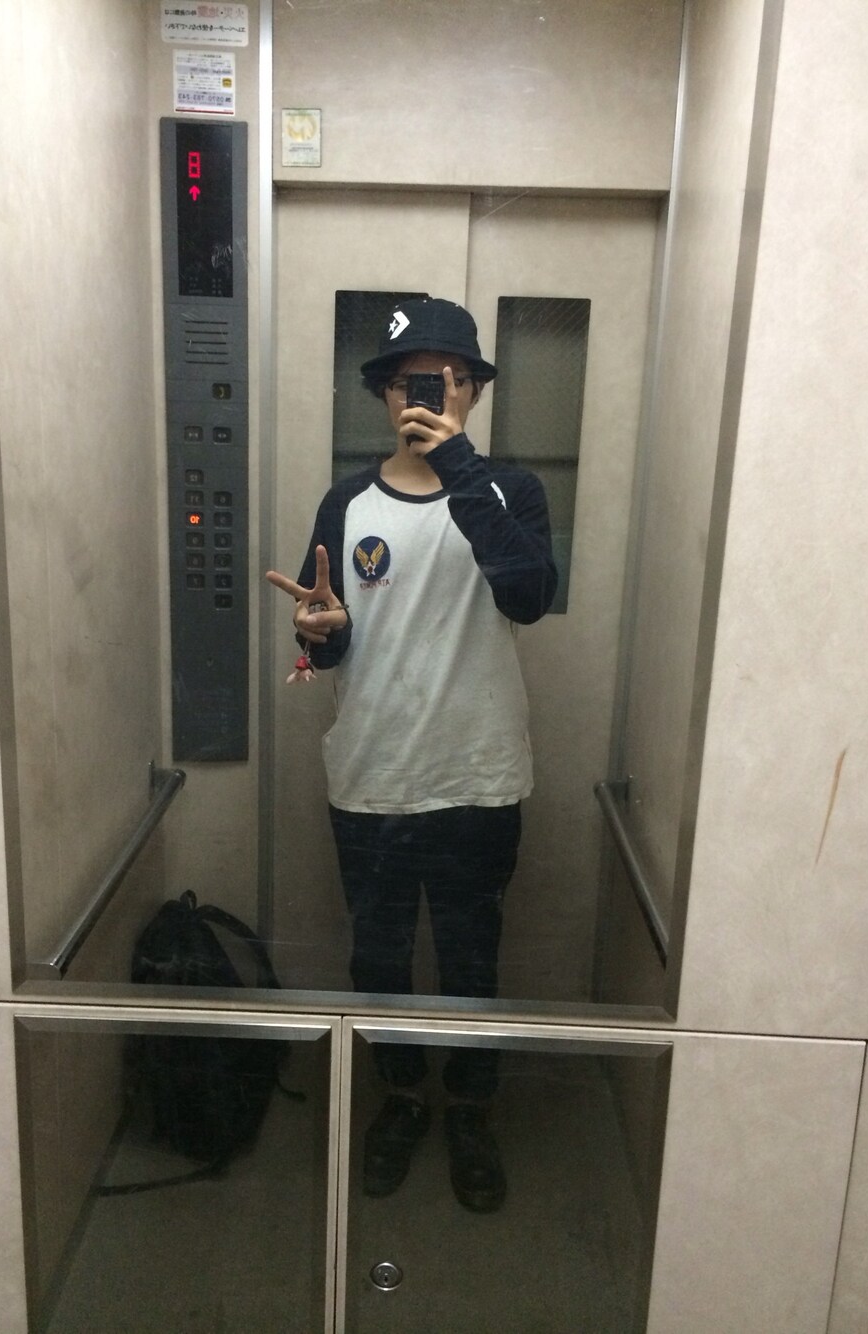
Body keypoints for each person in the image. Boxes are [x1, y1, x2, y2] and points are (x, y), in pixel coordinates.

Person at [266, 297, 557, 1211]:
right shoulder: (347, 503)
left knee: (472, 959)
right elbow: (328, 641)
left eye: (443, 380)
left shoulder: (510, 492)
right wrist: (318, 634)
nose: (421, 397)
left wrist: (458, 463)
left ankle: (469, 1109)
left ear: (473, 390)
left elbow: (528, 596)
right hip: (372, 775)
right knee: (379, 960)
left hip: (478, 775)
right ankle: (400, 1099)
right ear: (383, 397)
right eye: (404, 383)